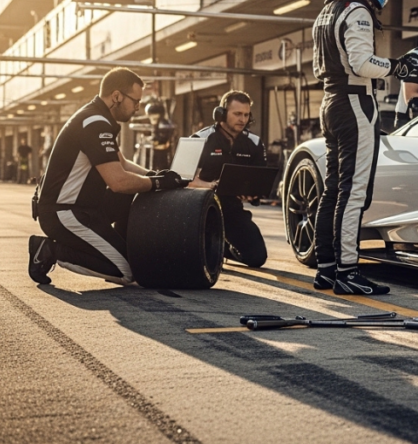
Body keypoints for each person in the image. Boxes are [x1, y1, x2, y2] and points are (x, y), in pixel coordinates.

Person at [311, 0, 415, 295]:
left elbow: (319, 66)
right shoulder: (356, 10)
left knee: (332, 190)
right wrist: (397, 66)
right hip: (355, 102)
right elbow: (362, 63)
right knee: (354, 192)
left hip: (330, 101)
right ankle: (348, 271)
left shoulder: (326, 11)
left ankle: (326, 269)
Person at [28, 67, 188, 286]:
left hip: (86, 207)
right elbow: (118, 181)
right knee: (125, 271)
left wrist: (155, 175)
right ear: (116, 96)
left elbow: (121, 163)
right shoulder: (94, 123)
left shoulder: (98, 117)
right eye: (135, 102)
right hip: (64, 212)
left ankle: (120, 244)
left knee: (140, 193)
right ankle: (49, 250)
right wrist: (157, 182)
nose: (138, 108)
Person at [188, 90, 268, 268]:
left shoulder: (254, 143)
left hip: (232, 209)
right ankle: (211, 247)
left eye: (246, 115)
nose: (243, 119)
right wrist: (210, 185)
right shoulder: (200, 139)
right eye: (237, 114)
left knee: (257, 257)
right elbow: (181, 180)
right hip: (199, 210)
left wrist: (252, 194)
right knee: (202, 262)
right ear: (221, 114)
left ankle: (222, 249)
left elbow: (259, 180)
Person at [146, 100, 175, 171]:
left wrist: (154, 141)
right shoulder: (157, 124)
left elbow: (163, 138)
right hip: (156, 150)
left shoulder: (163, 125)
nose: (152, 120)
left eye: (154, 118)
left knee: (163, 169)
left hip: (163, 151)